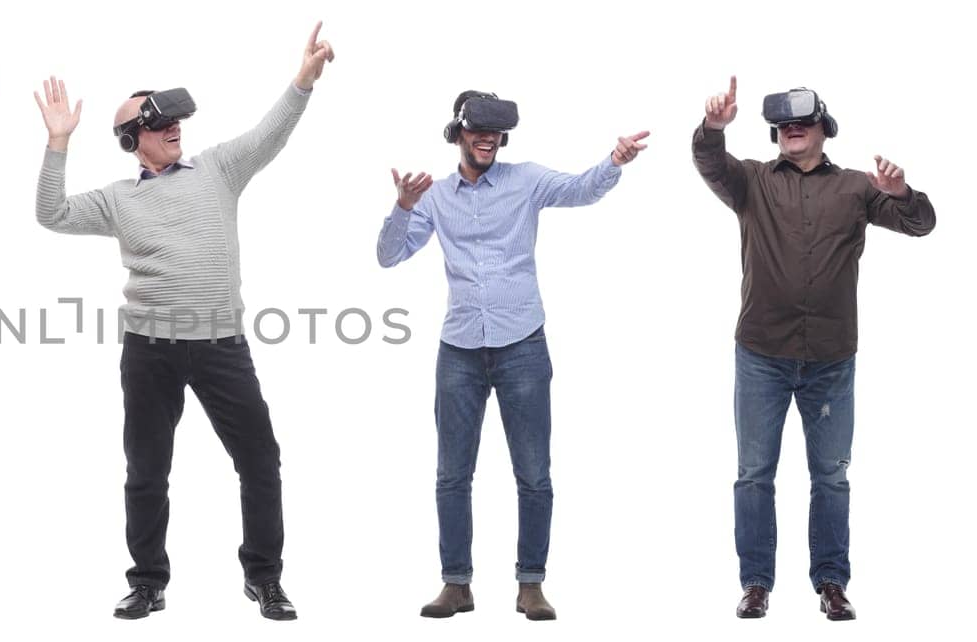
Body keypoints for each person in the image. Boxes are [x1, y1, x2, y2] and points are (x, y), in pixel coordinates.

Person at [32, 23, 334, 621]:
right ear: (130, 139)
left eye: (175, 120)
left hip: (222, 346)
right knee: (146, 471)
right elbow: (51, 213)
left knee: (260, 460)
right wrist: (59, 141)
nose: (173, 128)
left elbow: (271, 133)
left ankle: (264, 578)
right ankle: (147, 582)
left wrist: (302, 79)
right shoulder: (118, 199)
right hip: (149, 352)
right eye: (157, 122)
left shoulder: (219, 168)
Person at [378, 89, 649, 621]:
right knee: (452, 474)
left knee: (533, 472)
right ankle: (456, 584)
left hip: (522, 343)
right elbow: (389, 256)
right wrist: (402, 207)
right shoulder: (433, 195)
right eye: (478, 130)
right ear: (457, 133)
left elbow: (579, 189)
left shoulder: (525, 181)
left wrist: (614, 162)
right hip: (458, 349)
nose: (488, 140)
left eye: (497, 133)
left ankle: (531, 584)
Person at [693, 76, 936, 621]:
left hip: (830, 359)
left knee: (830, 476)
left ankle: (831, 581)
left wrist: (901, 194)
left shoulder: (854, 187)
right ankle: (755, 583)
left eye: (802, 120)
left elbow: (922, 224)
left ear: (825, 129)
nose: (791, 128)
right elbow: (708, 161)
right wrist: (713, 128)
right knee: (754, 472)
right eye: (782, 123)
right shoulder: (751, 181)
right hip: (761, 354)